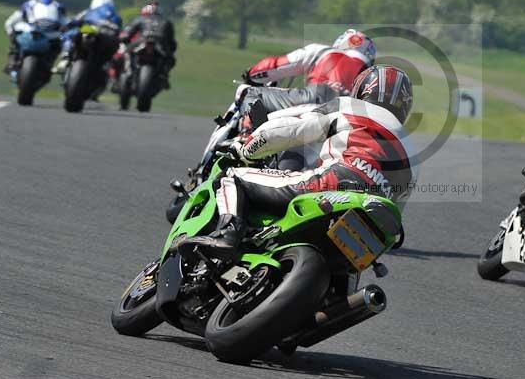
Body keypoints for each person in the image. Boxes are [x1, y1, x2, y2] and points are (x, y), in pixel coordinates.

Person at [179, 65, 417, 259]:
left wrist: (246, 151)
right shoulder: (412, 148)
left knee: (232, 177)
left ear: (364, 89)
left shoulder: (349, 105)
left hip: (334, 183)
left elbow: (292, 130)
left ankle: (227, 235)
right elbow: (399, 204)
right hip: (376, 216)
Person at [238, 29, 376, 119]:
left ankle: (248, 134)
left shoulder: (322, 51)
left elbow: (276, 65)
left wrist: (251, 74)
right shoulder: (372, 74)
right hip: (342, 118)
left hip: (310, 103)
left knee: (246, 93)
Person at [3, 0, 67, 74]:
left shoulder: (28, 4)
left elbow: (10, 22)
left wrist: (11, 36)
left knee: (15, 36)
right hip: (52, 35)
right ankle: (55, 63)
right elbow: (66, 24)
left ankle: (12, 62)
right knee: (62, 41)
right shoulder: (58, 5)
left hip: (31, 30)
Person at [55, 0, 122, 73]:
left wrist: (64, 28)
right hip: (108, 40)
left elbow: (74, 22)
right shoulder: (116, 16)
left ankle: (65, 57)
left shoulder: (88, 11)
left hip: (93, 34)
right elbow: (119, 33)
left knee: (70, 35)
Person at [116, 1, 177, 88]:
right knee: (170, 59)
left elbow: (128, 34)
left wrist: (124, 40)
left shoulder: (140, 19)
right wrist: (171, 49)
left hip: (142, 41)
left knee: (126, 53)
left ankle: (128, 72)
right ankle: (164, 76)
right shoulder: (167, 22)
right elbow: (171, 41)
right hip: (159, 44)